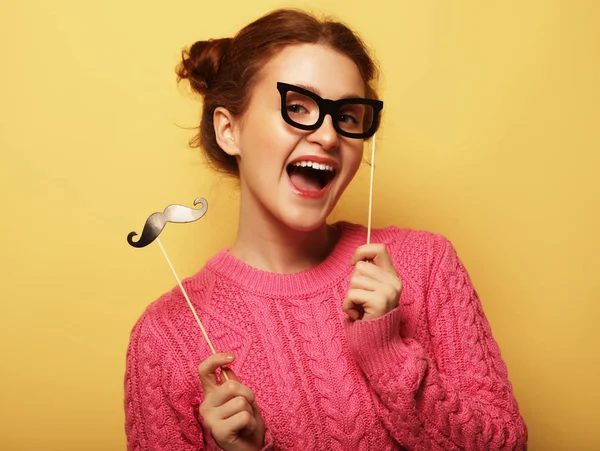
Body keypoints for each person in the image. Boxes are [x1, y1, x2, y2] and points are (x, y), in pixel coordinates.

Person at [124, 8, 527, 451]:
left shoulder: (426, 266)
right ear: (228, 130)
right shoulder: (166, 337)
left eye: (348, 117)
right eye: (298, 107)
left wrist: (387, 354)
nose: (330, 136)